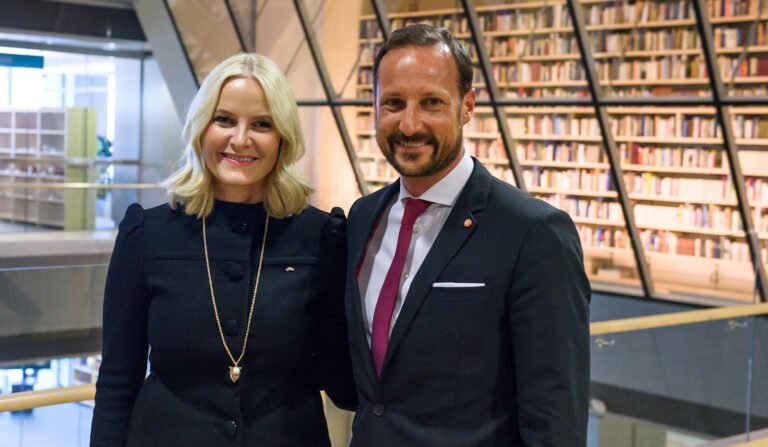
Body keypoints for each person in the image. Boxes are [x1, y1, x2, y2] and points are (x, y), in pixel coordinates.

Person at [90, 53, 355, 447]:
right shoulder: (147, 235)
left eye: (262, 124)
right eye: (225, 119)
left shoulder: (323, 237)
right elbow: (116, 381)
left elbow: (344, 379)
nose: (241, 139)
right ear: (201, 128)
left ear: (282, 136)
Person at [345, 24, 591, 446]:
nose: (409, 124)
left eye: (431, 103)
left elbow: (555, 416)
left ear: (467, 106)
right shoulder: (363, 217)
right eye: (394, 103)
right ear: (375, 106)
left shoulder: (533, 233)